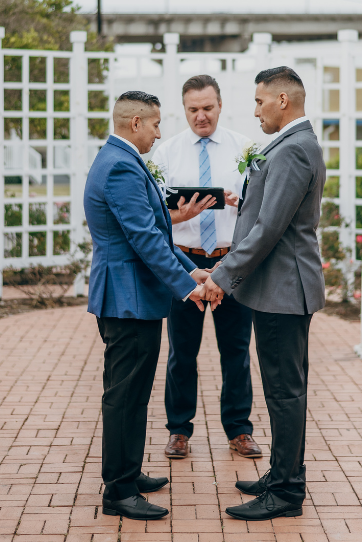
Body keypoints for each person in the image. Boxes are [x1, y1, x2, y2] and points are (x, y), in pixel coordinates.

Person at [202, 66, 326, 522]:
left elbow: (268, 228)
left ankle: (287, 492)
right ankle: (282, 474)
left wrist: (222, 274)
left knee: (285, 392)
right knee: (282, 389)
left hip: (284, 290)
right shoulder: (292, 144)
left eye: (259, 102)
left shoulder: (294, 149)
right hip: (278, 288)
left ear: (283, 102)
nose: (254, 111)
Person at [84, 91, 212, 522]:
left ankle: (129, 472)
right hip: (126, 298)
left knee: (135, 394)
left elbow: (155, 233)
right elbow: (143, 239)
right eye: (156, 124)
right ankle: (118, 490)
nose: (160, 132)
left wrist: (189, 270)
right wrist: (187, 287)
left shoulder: (118, 159)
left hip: (131, 296)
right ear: (135, 122)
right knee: (124, 396)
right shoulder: (120, 165)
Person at [152, 74, 262, 460]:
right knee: (182, 351)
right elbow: (154, 216)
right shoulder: (166, 153)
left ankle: (239, 430)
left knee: (236, 350)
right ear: (183, 109)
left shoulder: (244, 149)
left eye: (208, 108)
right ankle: (178, 430)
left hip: (232, 261)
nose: (201, 116)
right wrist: (179, 214)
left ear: (220, 105)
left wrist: (237, 204)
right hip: (184, 261)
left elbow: (262, 209)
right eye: (193, 109)